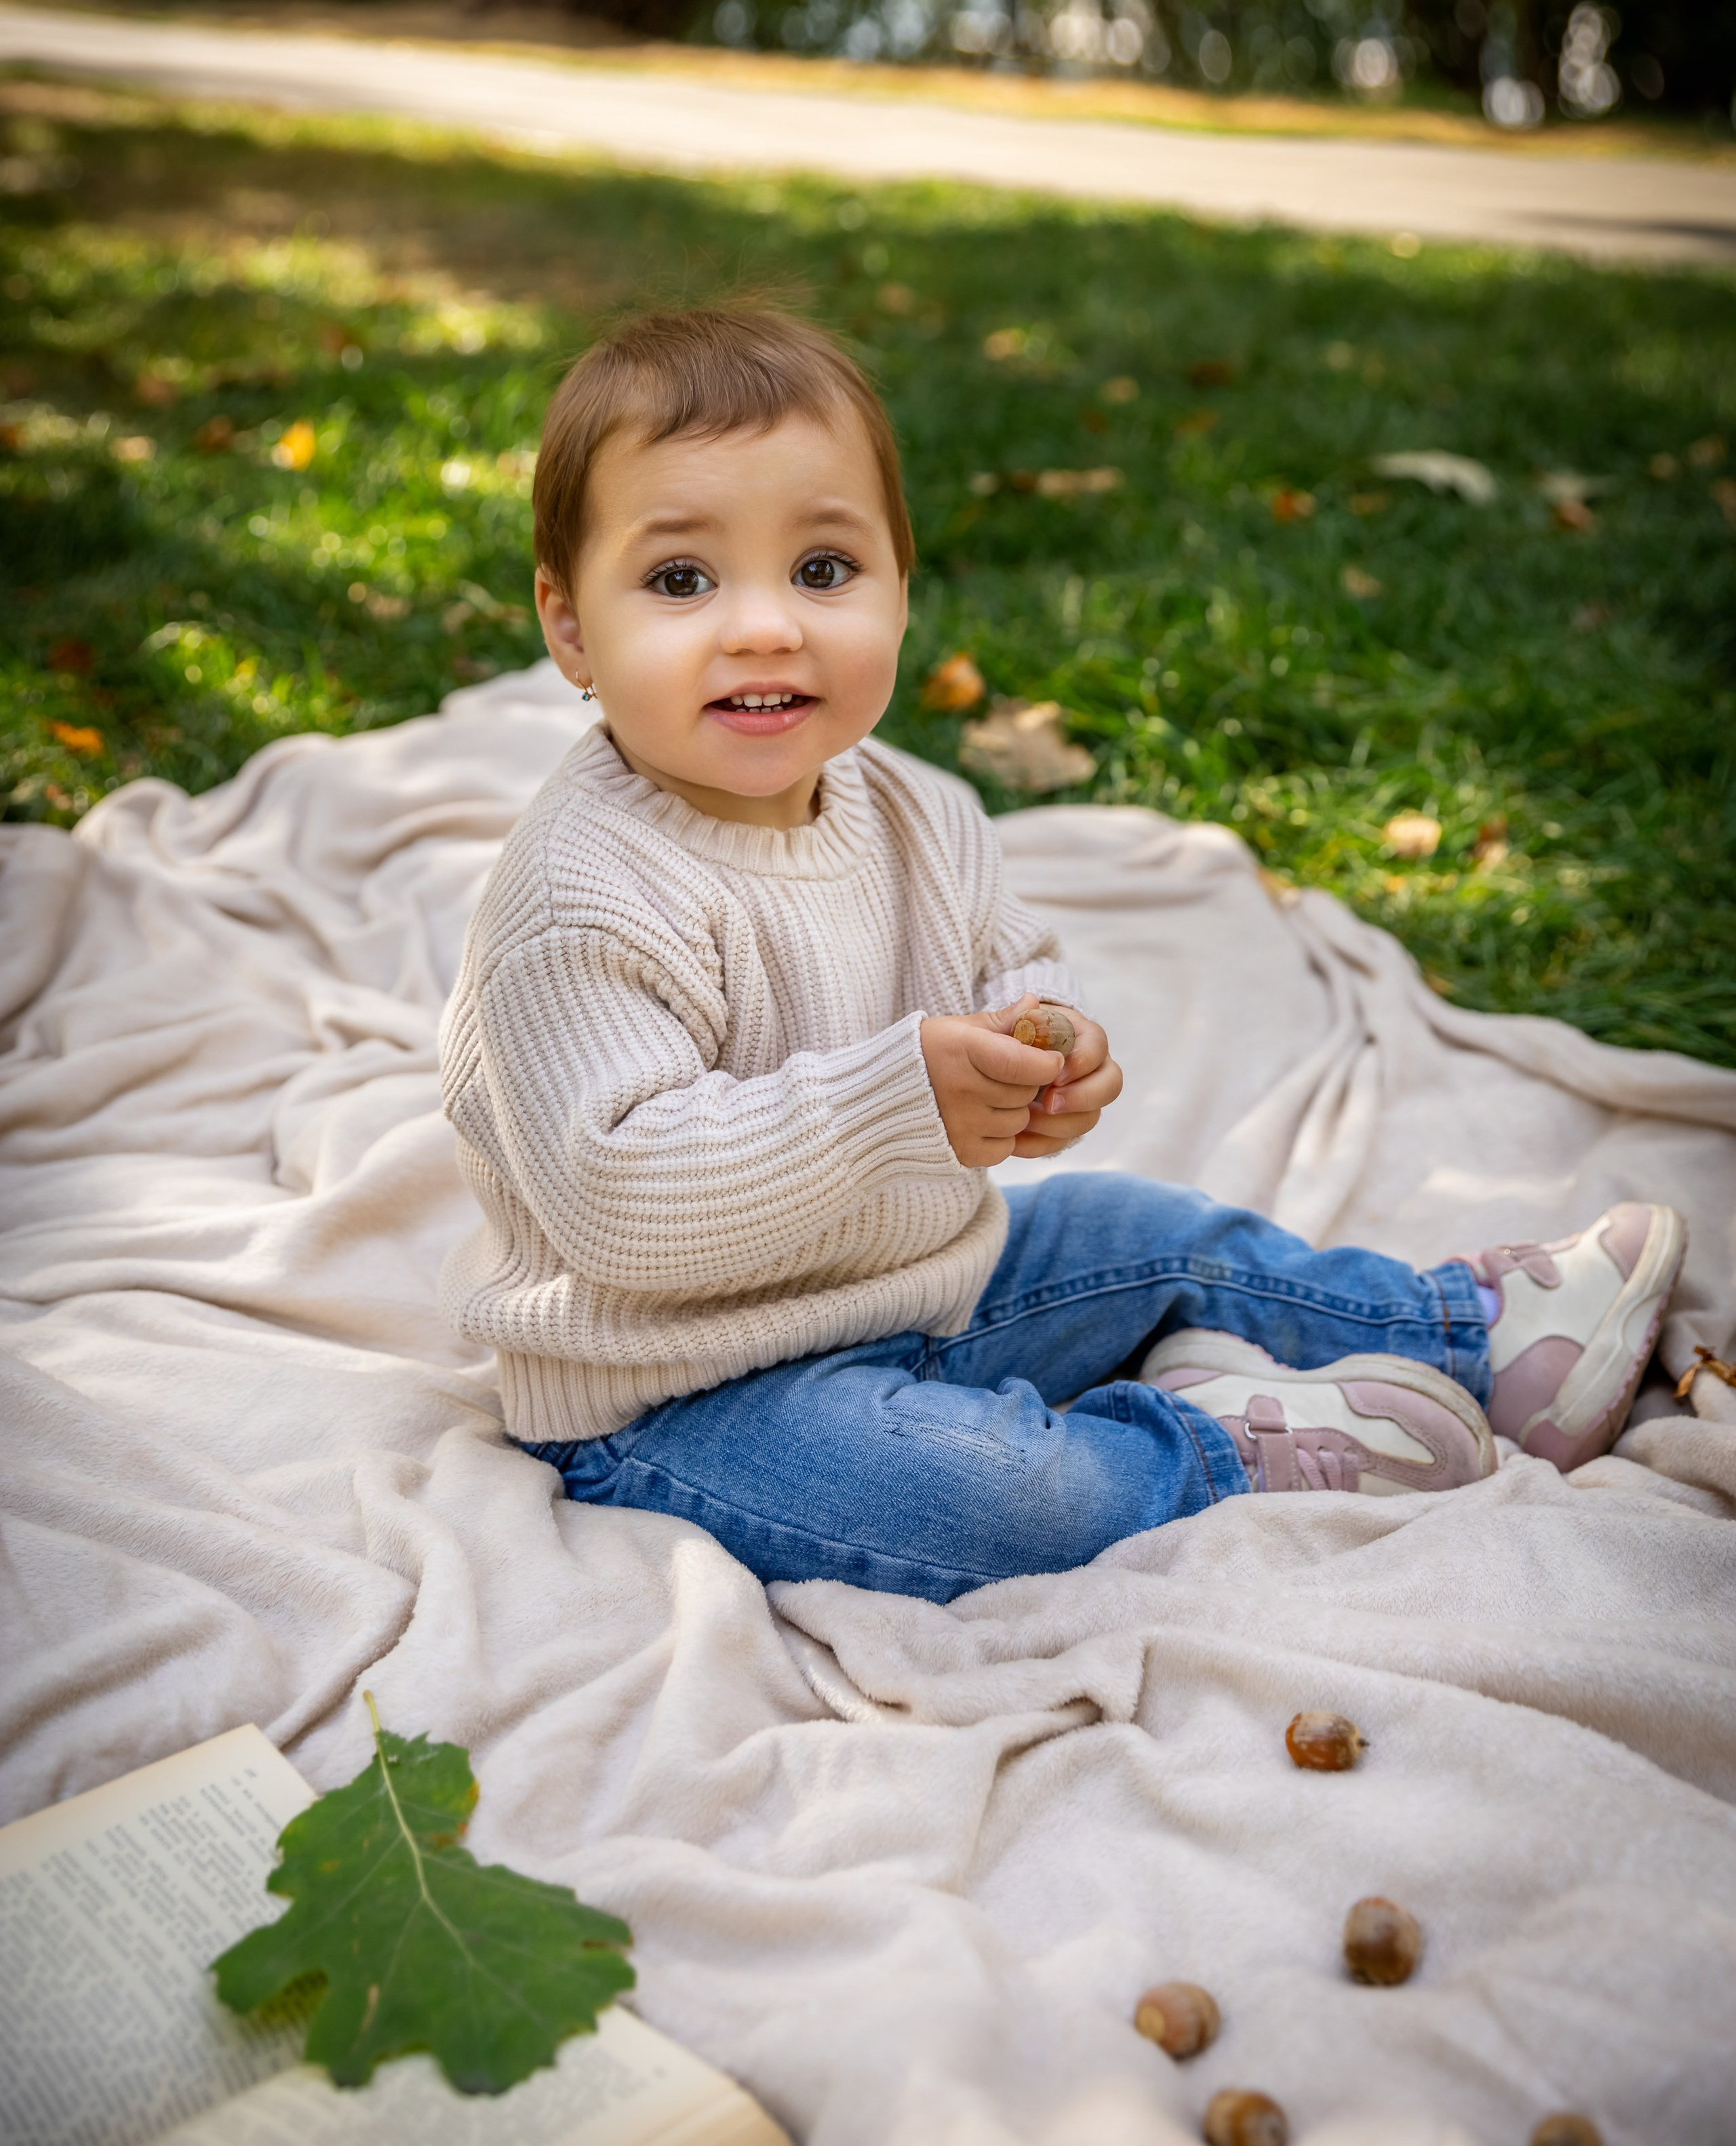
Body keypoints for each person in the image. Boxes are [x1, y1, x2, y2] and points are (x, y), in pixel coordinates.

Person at [439, 306, 1685, 1604]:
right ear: (570, 627)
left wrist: (1042, 1038)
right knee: (998, 1493)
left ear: (901, 592)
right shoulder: (578, 902)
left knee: (1144, 1230)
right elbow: (624, 1202)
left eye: (822, 570)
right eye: (683, 580)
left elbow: (1010, 960)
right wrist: (901, 1097)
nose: (766, 628)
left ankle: (1457, 1329)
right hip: (675, 1399)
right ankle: (1222, 1449)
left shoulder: (914, 809)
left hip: (915, 1287)